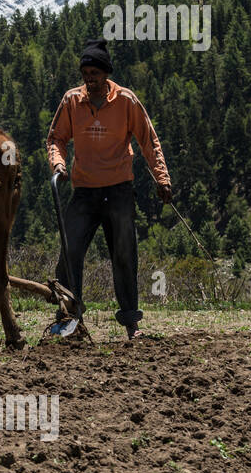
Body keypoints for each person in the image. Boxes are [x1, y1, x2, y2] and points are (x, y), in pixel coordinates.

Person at [46, 38, 173, 339]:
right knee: (70, 251)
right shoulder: (71, 101)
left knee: (124, 254)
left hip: (118, 189)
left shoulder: (126, 101)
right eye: (85, 73)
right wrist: (58, 164)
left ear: (106, 74)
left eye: (95, 73)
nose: (89, 79)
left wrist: (162, 178)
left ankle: (132, 323)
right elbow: (56, 138)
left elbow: (148, 141)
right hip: (85, 190)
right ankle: (69, 320)